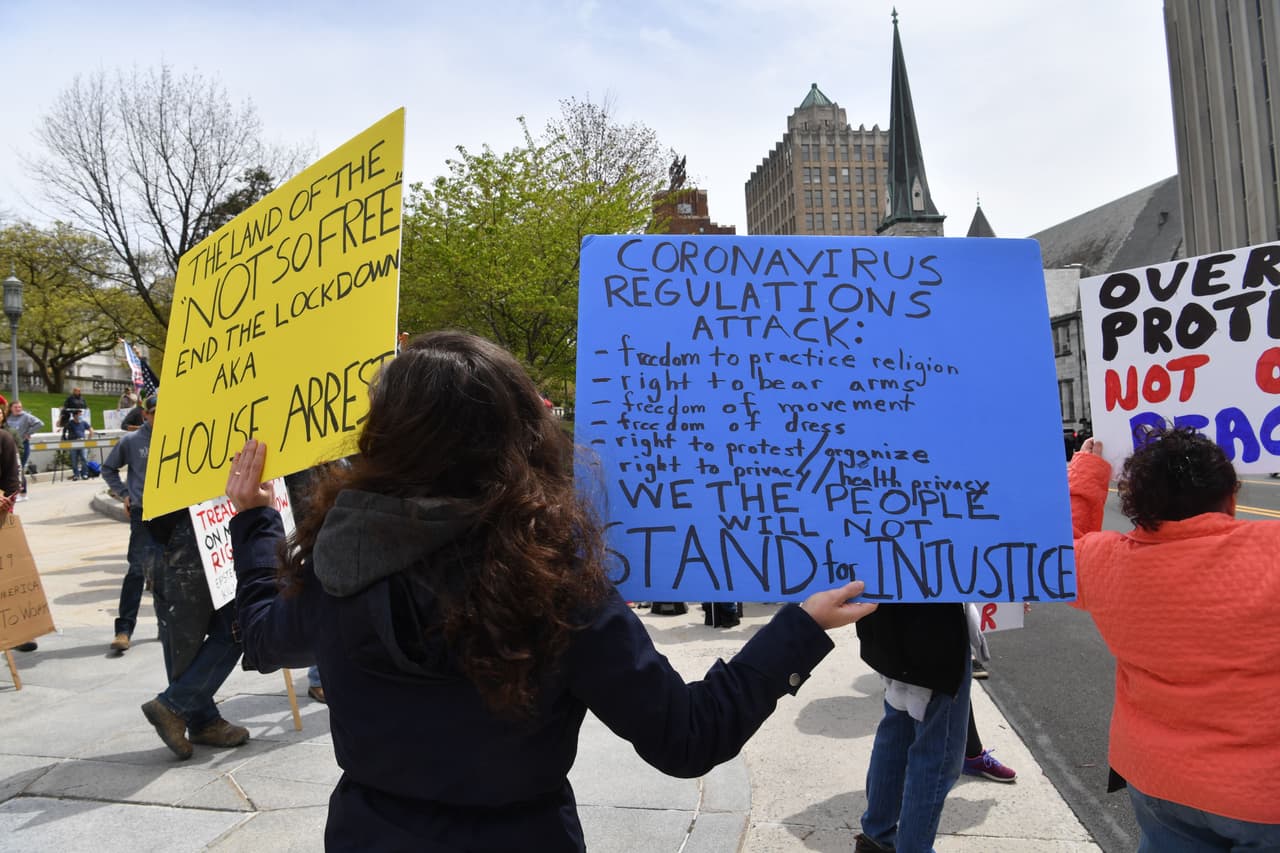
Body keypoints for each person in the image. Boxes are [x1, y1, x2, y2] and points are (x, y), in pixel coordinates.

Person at [225, 330, 878, 852]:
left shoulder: (336, 559)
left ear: (385, 437)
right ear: (514, 435)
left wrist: (254, 517)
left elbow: (259, 634)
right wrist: (800, 627)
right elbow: (687, 735)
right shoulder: (553, 577)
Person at [1070, 428, 1280, 850]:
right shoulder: (1270, 549)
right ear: (1231, 496)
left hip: (1159, 780)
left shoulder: (1105, 562)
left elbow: (1052, 555)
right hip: (1263, 793)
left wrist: (1086, 472)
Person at [854, 602, 971, 853]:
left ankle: (876, 837)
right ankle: (909, 847)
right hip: (932, 627)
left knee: (898, 729)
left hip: (887, 619)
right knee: (935, 756)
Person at [139, 508, 249, 759]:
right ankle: (187, 712)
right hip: (176, 536)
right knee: (186, 639)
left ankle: (196, 717)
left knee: (235, 625)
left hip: (209, 530)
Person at [101, 393, 162, 653]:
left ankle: (166, 624)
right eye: (155, 413)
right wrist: (124, 494)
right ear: (145, 415)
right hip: (142, 513)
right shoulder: (132, 441)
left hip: (174, 514)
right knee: (137, 570)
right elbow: (108, 468)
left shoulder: (181, 436)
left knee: (166, 571)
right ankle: (124, 629)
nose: (161, 417)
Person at [0, 426, 29, 651]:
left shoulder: (4, 439)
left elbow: (12, 477)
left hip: (1, 515)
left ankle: (17, 629)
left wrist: (6, 502)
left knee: (8, 574)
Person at [5, 399, 44, 498]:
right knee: (11, 469)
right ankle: (12, 492)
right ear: (11, 408)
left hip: (22, 445)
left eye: (20, 407)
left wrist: (29, 433)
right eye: (16, 407)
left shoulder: (25, 416)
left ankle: (23, 493)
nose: (18, 409)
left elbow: (40, 423)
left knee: (18, 468)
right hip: (9, 446)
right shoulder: (7, 417)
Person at [61, 408, 93, 480]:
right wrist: (66, 439)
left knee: (84, 458)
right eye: (79, 414)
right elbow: (64, 431)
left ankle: (85, 474)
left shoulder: (84, 422)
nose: (81, 416)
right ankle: (76, 474)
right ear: (75, 415)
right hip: (73, 443)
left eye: (81, 414)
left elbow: (91, 430)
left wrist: (88, 440)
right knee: (74, 459)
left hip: (82, 442)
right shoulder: (70, 423)